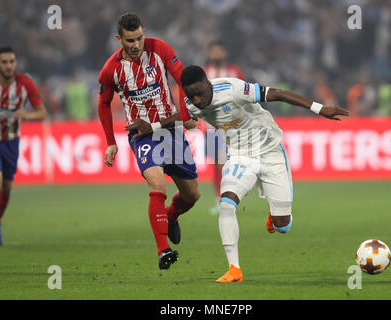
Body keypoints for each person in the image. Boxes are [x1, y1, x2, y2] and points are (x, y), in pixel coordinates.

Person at [179, 66, 349, 282]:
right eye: (191, 95)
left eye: (200, 93)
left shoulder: (233, 89)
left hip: (270, 151)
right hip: (240, 156)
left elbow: (276, 93)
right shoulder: (191, 106)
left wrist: (319, 108)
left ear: (208, 85)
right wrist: (155, 125)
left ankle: (274, 211)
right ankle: (234, 269)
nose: (196, 99)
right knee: (226, 204)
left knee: (282, 226)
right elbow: (183, 118)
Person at [98, 13, 200, 270]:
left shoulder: (160, 49)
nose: (136, 45)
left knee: (192, 194)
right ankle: (162, 250)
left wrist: (186, 114)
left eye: (140, 38)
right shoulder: (111, 69)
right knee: (157, 184)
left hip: (171, 129)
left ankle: (171, 217)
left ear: (145, 33)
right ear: (119, 39)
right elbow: (103, 103)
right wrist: (111, 141)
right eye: (130, 40)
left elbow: (181, 79)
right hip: (141, 134)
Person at [0, 46, 47, 246]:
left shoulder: (25, 83)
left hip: (11, 141)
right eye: (4, 62)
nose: (8, 66)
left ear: (15, 63)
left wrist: (26, 115)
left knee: (7, 187)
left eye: (11, 62)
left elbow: (42, 113)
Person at [203, 42, 245, 215]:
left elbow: (243, 94)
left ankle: (230, 197)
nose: (217, 53)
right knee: (216, 164)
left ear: (225, 52)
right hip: (211, 126)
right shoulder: (204, 72)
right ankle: (219, 200)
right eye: (214, 50)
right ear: (209, 53)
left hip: (233, 126)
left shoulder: (235, 71)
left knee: (230, 162)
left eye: (220, 50)